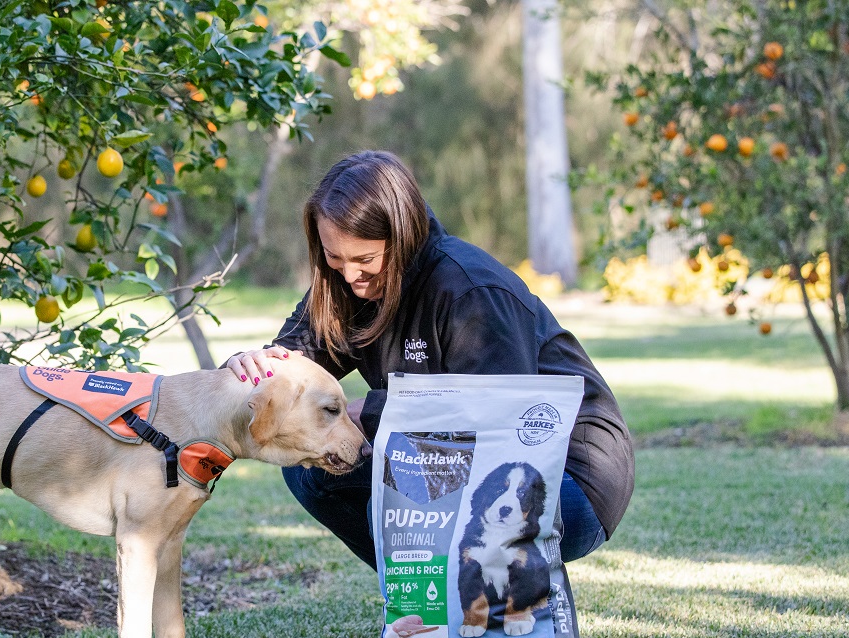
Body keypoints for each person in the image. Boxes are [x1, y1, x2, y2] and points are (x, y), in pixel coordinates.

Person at [224, 151, 634, 569]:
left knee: (400, 484)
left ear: (401, 236)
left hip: (567, 476)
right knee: (314, 466)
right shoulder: (346, 286)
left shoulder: (471, 289)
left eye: (365, 260)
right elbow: (291, 359)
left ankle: (459, 605)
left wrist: (377, 411)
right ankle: (425, 604)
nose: (349, 277)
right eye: (334, 258)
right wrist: (250, 367)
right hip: (455, 456)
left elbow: (502, 422)